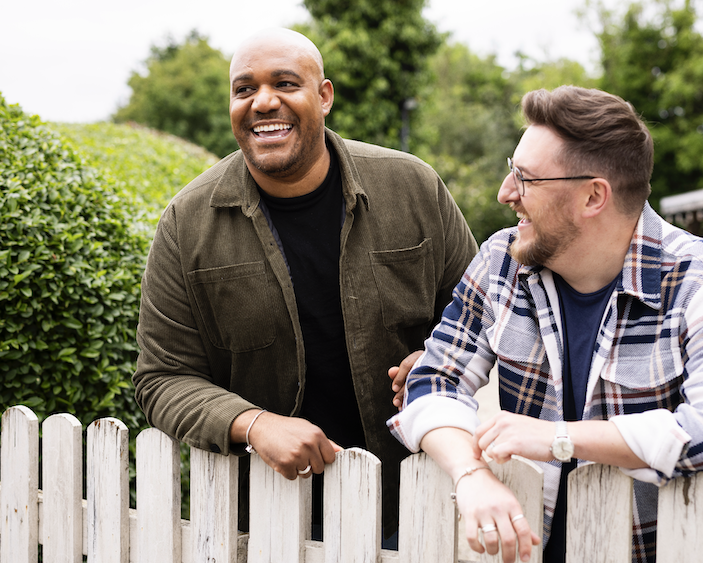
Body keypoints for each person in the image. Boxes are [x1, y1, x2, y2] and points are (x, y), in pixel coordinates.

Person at [387, 85, 703, 563]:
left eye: (525, 179)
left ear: (592, 197)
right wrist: (471, 474)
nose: (506, 194)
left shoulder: (699, 282)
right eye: (511, 171)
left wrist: (558, 437)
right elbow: (433, 382)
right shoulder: (502, 258)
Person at [132, 27, 478, 540]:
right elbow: (161, 377)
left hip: (416, 504)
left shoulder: (413, 188)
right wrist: (252, 423)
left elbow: (482, 317)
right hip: (266, 517)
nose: (263, 102)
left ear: (324, 96)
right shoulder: (187, 224)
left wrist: (435, 359)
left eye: (286, 84)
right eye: (244, 89)